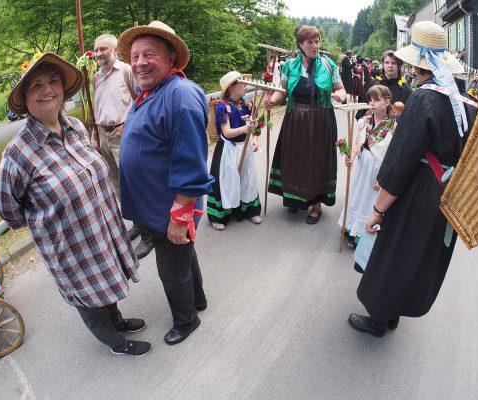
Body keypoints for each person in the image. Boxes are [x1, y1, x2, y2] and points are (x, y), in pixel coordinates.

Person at [0, 53, 150, 356]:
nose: (47, 89)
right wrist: (47, 219)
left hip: (101, 229)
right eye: (36, 85)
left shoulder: (76, 127)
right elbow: (7, 208)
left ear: (63, 89)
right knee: (89, 297)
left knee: (106, 279)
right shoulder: (18, 153)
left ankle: (116, 320)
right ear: (25, 98)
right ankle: (115, 342)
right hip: (70, 246)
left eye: (53, 81)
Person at [348, 21, 477, 337]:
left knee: (396, 252)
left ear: (419, 65)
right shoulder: (463, 99)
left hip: (419, 190)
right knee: (419, 255)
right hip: (447, 192)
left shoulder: (423, 100)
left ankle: (380, 318)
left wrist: (378, 209)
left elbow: (401, 160)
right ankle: (394, 312)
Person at [117, 21, 213, 345]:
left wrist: (180, 217)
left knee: (171, 270)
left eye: (149, 54)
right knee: (183, 254)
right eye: (135, 56)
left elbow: (191, 164)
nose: (140, 62)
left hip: (169, 208)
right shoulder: (150, 92)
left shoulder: (180, 95)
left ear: (171, 58)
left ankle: (187, 320)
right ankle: (197, 299)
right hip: (153, 207)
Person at [265, 25, 346, 224]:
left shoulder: (328, 65)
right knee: (295, 159)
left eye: (317, 41)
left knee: (317, 161)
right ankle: (295, 199)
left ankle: (316, 206)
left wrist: (340, 95)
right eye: (310, 42)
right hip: (295, 120)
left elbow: (341, 89)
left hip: (322, 121)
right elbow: (282, 90)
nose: (315, 45)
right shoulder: (290, 66)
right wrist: (272, 100)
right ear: (300, 45)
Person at [92, 33, 154, 260]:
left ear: (115, 50)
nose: (99, 54)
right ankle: (137, 224)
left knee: (133, 185)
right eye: (97, 50)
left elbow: (144, 98)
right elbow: (97, 105)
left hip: (123, 134)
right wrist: (94, 133)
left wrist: (130, 123)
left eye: (103, 49)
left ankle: (148, 236)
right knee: (118, 186)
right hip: (103, 135)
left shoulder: (127, 71)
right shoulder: (96, 76)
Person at [338, 85, 395, 250]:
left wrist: (384, 178)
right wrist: (352, 156)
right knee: (357, 197)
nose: (372, 103)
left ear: (387, 101)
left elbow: (393, 155)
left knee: (370, 201)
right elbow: (357, 143)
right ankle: (351, 229)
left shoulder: (393, 126)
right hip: (363, 165)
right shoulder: (365, 121)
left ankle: (364, 234)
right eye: (370, 99)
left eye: (376, 100)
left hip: (378, 170)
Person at [207, 71, 262, 230]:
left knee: (247, 177)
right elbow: (227, 132)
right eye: (242, 83)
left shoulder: (249, 104)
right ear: (232, 86)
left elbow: (256, 126)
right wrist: (245, 129)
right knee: (227, 180)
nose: (246, 86)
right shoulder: (222, 107)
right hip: (228, 149)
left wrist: (255, 140)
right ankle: (219, 216)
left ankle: (250, 210)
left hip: (244, 147)